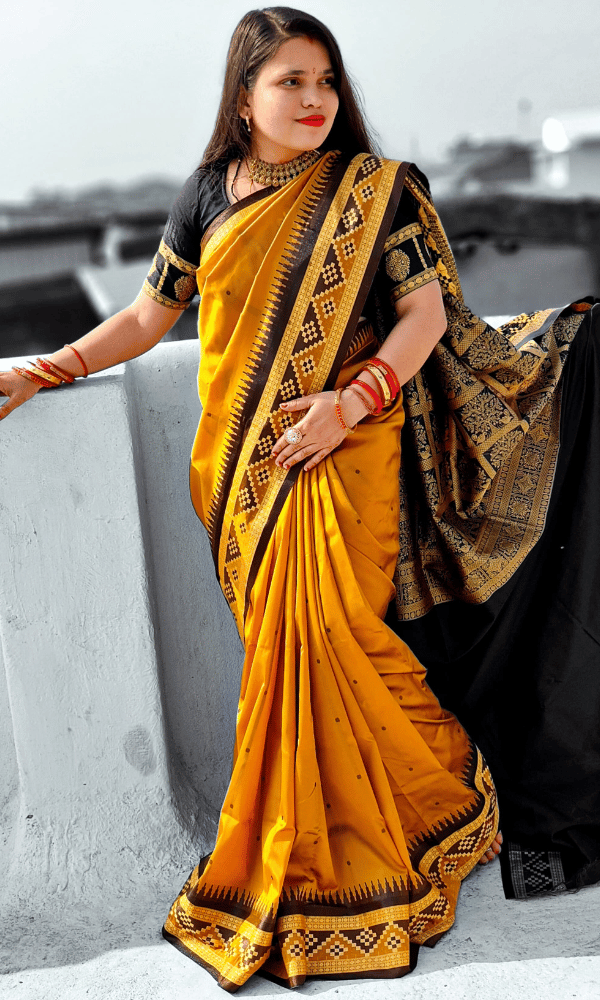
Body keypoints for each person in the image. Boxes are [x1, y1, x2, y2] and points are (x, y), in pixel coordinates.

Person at [3, 4, 596, 991]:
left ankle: (435, 807)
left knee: (340, 639)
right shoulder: (206, 195)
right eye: (289, 81)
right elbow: (154, 315)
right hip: (242, 473)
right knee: (294, 651)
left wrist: (351, 399)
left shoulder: (377, 193)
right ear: (244, 99)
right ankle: (403, 811)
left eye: (325, 81)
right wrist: (50, 367)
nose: (314, 99)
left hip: (350, 447)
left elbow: (423, 314)